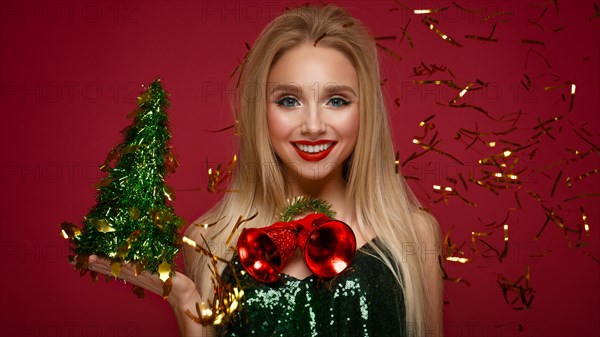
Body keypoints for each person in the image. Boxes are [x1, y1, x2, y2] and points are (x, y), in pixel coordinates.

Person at [86, 4, 443, 337]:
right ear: (261, 113)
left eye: (337, 100)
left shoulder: (412, 236)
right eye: (289, 100)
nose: (314, 125)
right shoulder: (210, 241)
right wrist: (186, 301)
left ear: (365, 112)